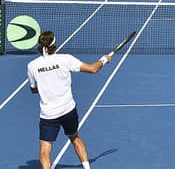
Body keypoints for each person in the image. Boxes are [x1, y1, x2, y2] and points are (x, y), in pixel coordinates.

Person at [27, 30, 113, 169]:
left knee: (45, 150)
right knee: (74, 137)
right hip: (68, 110)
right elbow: (92, 69)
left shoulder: (32, 66)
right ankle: (87, 167)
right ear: (54, 45)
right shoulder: (65, 59)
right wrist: (104, 60)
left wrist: (45, 85)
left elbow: (33, 89)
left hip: (48, 114)